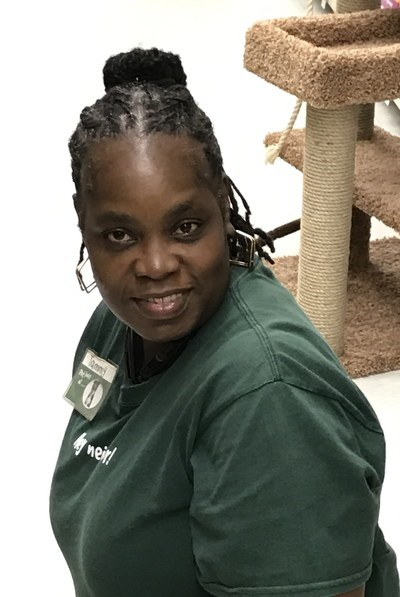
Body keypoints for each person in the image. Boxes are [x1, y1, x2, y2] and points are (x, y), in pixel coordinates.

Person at [49, 47, 399, 597]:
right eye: (120, 235)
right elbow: (91, 437)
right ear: (83, 223)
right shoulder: (117, 324)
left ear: (223, 206)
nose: (156, 265)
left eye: (186, 227)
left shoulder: (269, 400)